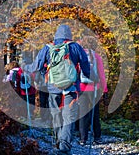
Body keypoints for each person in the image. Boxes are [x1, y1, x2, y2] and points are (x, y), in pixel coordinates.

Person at [23, 24, 90, 155]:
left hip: (53, 88)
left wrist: (25, 67)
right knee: (68, 117)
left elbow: (36, 66)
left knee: (56, 115)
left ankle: (58, 143)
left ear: (56, 35)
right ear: (69, 35)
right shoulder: (75, 47)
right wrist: (89, 76)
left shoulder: (48, 48)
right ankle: (64, 145)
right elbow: (85, 65)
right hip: (71, 88)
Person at [77, 36, 108, 146]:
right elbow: (101, 74)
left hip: (82, 88)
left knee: (83, 114)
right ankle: (97, 137)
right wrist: (104, 89)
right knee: (95, 113)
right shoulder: (97, 57)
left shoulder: (79, 56)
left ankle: (83, 138)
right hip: (94, 88)